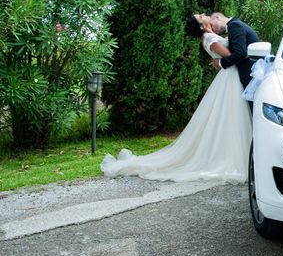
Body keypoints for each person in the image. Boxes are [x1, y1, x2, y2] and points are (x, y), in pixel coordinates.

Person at [100, 14, 252, 182]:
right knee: (231, 116)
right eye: (200, 16)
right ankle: (232, 159)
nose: (203, 14)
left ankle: (232, 155)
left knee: (229, 118)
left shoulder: (210, 36)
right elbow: (232, 55)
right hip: (229, 77)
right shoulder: (209, 38)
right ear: (201, 26)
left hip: (229, 77)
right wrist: (226, 60)